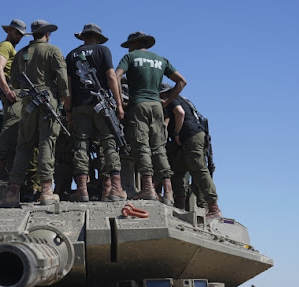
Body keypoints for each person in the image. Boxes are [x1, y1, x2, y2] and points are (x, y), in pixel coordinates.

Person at [0, 20, 69, 207]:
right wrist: (63, 99)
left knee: (23, 145)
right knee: (47, 142)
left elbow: (16, 82)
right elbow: (62, 79)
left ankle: (13, 192)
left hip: (27, 102)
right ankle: (46, 190)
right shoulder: (53, 51)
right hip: (48, 100)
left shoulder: (21, 54)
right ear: (47, 34)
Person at [115, 32, 186, 204]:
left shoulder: (130, 57)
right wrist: (167, 101)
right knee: (159, 147)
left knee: (142, 146)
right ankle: (168, 192)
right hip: (157, 106)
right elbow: (182, 81)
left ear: (134, 43)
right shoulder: (161, 60)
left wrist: (119, 102)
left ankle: (147, 188)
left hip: (138, 104)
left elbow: (115, 76)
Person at [65, 23, 126, 202]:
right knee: (109, 143)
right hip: (102, 106)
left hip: (79, 107)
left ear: (83, 37)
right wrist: (119, 105)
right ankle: (115, 188)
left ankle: (82, 189)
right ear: (97, 37)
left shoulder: (71, 54)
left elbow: (68, 86)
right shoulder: (103, 50)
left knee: (81, 145)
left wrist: (68, 110)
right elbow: (111, 77)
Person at [161, 84, 222, 219]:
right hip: (189, 139)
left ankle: (214, 208)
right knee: (177, 171)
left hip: (190, 137)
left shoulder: (173, 99)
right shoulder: (184, 100)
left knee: (198, 169)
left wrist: (176, 133)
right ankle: (180, 206)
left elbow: (179, 112)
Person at [0, 19, 27, 180]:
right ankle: (0, 166)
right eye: (17, 33)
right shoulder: (5, 46)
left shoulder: (12, 48)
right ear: (10, 31)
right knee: (11, 125)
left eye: (21, 34)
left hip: (16, 91)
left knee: (15, 128)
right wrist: (7, 91)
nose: (19, 36)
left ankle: (7, 166)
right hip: (11, 92)